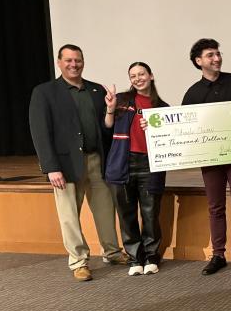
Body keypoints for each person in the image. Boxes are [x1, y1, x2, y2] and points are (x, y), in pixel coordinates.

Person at [28, 44, 127, 281]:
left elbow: (106, 129)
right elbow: (40, 132)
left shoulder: (96, 90)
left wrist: (110, 110)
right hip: (65, 165)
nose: (74, 65)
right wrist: (51, 167)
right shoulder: (44, 92)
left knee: (105, 210)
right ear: (59, 62)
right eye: (69, 60)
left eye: (78, 60)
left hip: (96, 161)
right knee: (69, 216)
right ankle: (79, 261)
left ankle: (112, 252)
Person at [182, 38, 231, 275]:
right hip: (211, 160)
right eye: (210, 55)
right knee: (215, 207)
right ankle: (218, 255)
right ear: (198, 61)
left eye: (218, 54)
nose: (217, 58)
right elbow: (183, 128)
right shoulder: (193, 93)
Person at [104, 62, 170, 276]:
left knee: (150, 214)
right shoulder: (121, 100)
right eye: (133, 76)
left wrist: (155, 129)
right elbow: (107, 125)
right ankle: (134, 258)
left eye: (141, 74)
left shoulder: (163, 108)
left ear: (151, 76)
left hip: (151, 164)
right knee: (126, 214)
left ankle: (151, 256)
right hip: (122, 163)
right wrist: (110, 109)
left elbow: (170, 138)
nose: (138, 78)